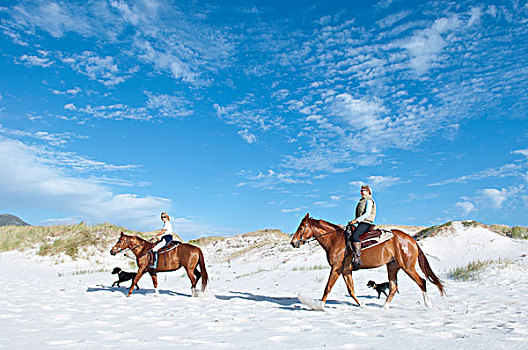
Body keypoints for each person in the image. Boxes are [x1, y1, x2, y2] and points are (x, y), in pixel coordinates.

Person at [345, 185, 376, 270]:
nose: (361, 192)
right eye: (361, 191)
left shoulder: (369, 201)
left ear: (369, 191)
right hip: (360, 223)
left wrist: (356, 220)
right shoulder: (361, 201)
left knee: (355, 236)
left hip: (365, 222)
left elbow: (367, 214)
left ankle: (357, 258)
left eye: (364, 190)